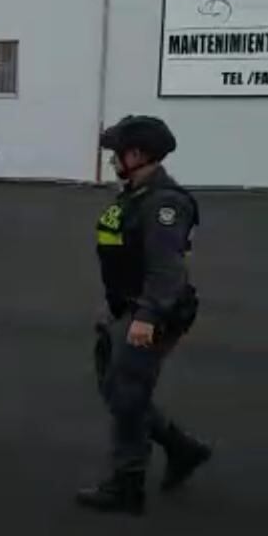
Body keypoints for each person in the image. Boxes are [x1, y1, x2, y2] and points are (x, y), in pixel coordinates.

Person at [76, 115, 211, 515]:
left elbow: (167, 270)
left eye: (118, 152)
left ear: (138, 154)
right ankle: (182, 449)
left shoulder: (164, 203)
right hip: (127, 307)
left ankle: (127, 485)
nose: (112, 159)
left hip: (151, 312)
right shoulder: (136, 194)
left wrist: (147, 316)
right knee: (118, 392)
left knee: (129, 397)